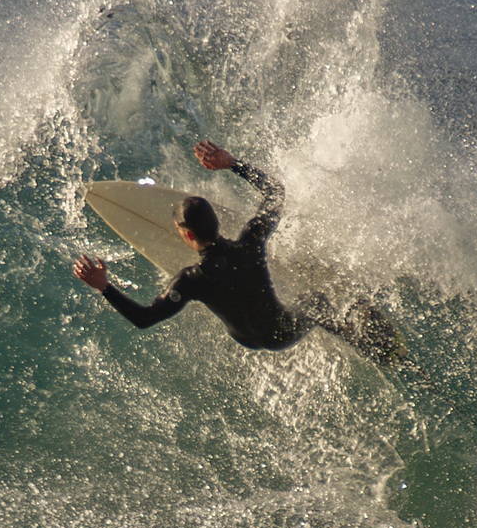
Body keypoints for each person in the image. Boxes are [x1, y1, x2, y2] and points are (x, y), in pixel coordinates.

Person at [73, 140, 406, 366]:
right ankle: (364, 344)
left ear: (187, 235)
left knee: (308, 302)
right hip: (283, 332)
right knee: (317, 301)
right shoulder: (250, 241)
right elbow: (276, 192)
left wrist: (104, 285)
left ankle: (354, 339)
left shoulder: (191, 281)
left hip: (248, 340)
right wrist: (233, 164)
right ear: (217, 224)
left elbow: (144, 319)